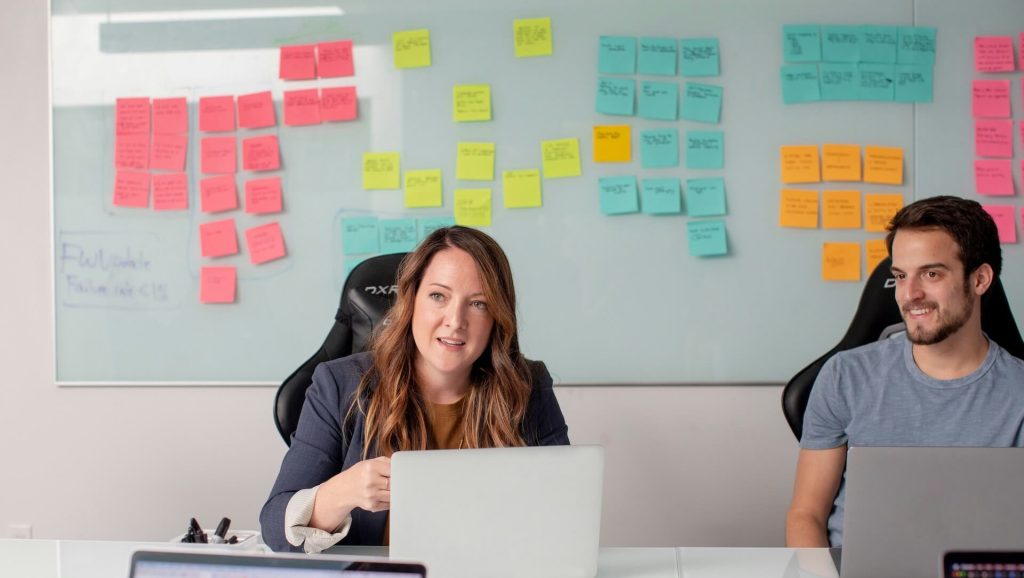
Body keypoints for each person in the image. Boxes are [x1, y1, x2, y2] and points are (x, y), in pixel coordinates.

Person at [260, 226, 570, 553]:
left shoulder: (527, 385)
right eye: (438, 296)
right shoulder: (340, 384)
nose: (455, 320)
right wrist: (343, 492)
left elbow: (567, 510)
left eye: (478, 303)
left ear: (497, 316)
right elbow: (275, 530)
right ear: (411, 300)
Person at [785, 195, 1024, 548]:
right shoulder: (844, 377)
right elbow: (807, 516)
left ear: (980, 279)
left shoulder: (1018, 391)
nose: (909, 294)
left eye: (931, 273)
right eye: (900, 275)